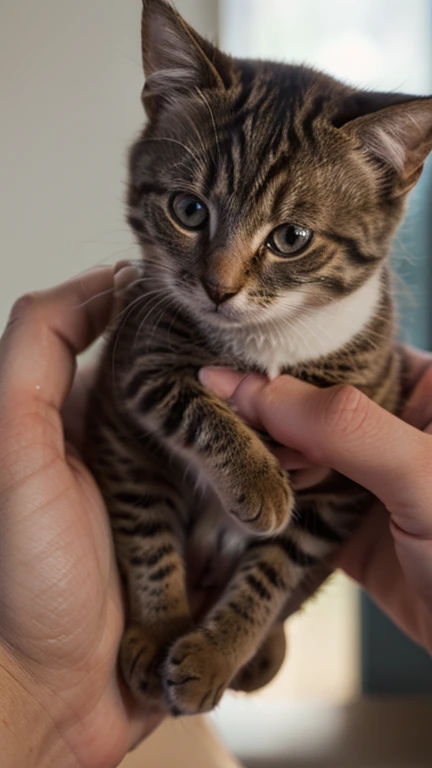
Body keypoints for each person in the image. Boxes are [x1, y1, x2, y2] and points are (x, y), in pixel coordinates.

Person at [1, 267, 432, 768]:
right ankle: (164, 612)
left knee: (330, 498)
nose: (223, 279)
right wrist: (35, 685)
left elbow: (333, 511)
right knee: (134, 453)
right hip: (139, 541)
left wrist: (238, 628)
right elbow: (137, 418)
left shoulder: (365, 330)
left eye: (290, 237)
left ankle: (246, 623)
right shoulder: (162, 311)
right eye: (190, 210)